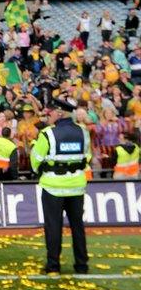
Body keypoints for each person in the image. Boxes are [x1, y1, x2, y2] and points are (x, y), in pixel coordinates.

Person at [31, 98, 90, 275]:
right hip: (77, 186)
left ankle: (53, 265)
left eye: (50, 113)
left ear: (59, 113)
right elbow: (87, 157)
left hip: (53, 187)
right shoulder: (83, 131)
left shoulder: (48, 133)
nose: (47, 116)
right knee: (77, 227)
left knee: (53, 227)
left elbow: (36, 160)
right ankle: (81, 265)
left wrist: (42, 171)